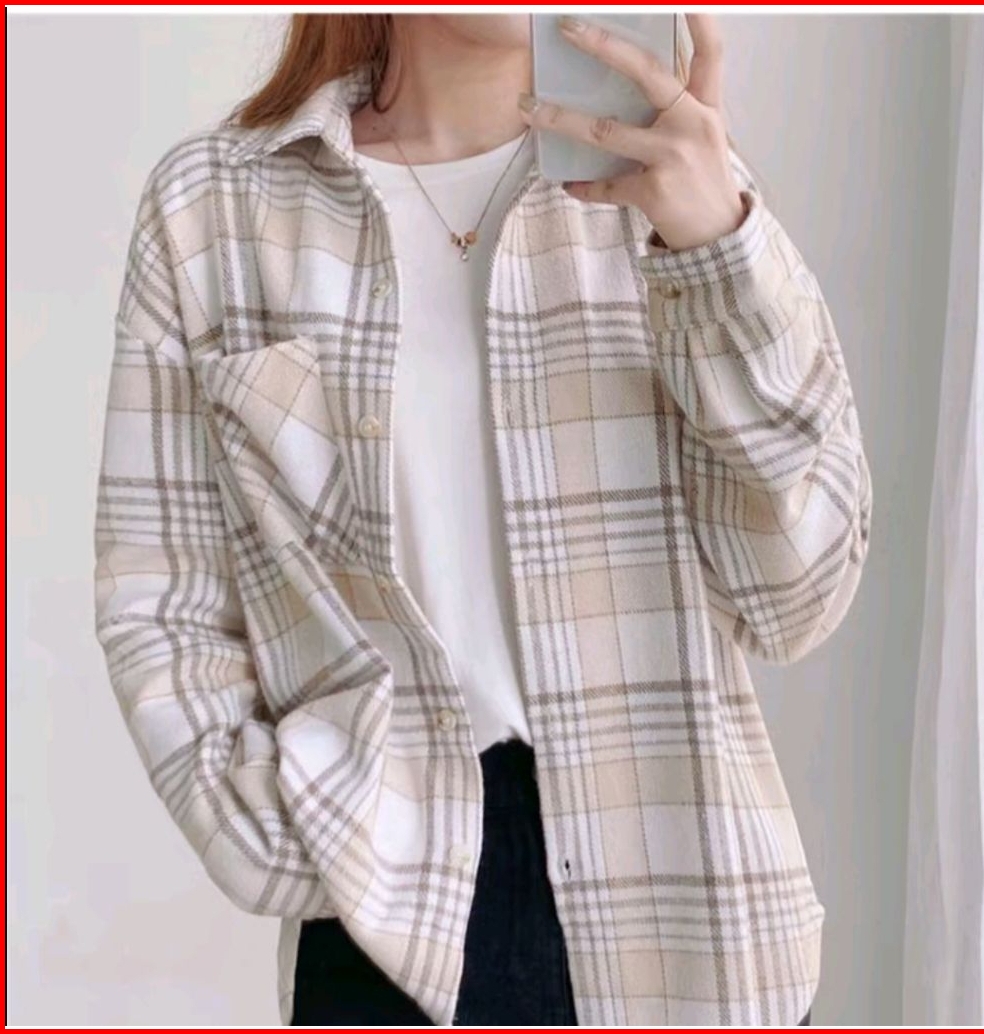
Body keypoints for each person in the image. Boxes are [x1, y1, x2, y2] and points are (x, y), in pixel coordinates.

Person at [93, 12, 871, 1028]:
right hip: (386, 907)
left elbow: (797, 597)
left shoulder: (670, 189)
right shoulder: (216, 209)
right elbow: (162, 598)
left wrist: (716, 250)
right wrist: (279, 837)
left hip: (688, 914)